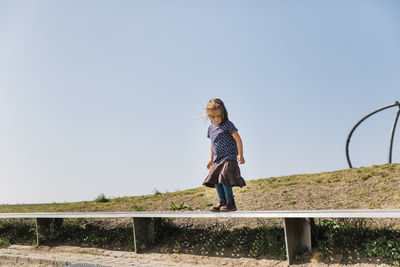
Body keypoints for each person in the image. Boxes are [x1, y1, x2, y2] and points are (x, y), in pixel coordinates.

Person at [202, 98, 246, 212]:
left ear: (223, 113)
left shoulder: (227, 124)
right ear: (209, 116)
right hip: (217, 160)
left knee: (224, 177)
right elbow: (212, 144)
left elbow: (238, 139)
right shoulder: (210, 129)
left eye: (219, 116)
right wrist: (211, 160)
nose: (216, 119)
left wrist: (240, 155)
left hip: (229, 157)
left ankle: (230, 203)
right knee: (216, 179)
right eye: (213, 117)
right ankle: (222, 202)